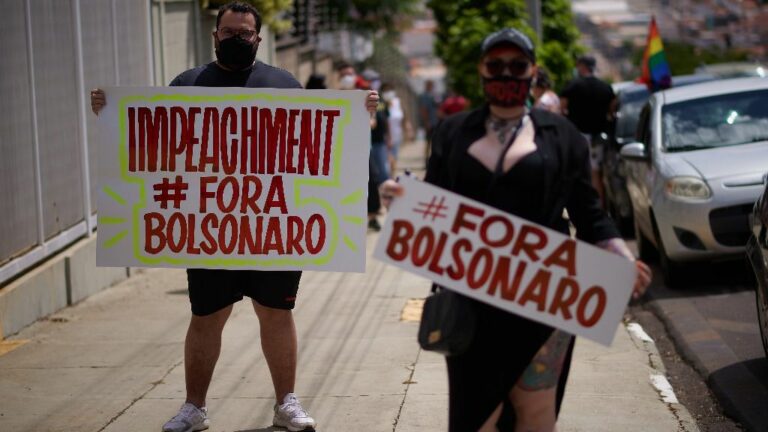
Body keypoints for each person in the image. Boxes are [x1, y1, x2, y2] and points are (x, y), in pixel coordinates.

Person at [90, 3, 378, 431]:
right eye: (229, 32)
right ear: (214, 35)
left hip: (273, 229)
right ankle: (194, 408)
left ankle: (286, 404)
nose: (237, 39)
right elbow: (155, 149)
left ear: (258, 39)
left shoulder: (284, 86)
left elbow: (320, 147)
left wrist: (360, 118)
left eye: (245, 34)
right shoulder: (186, 86)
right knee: (206, 316)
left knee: (276, 314)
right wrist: (110, 115)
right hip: (211, 230)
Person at [379, 28, 651, 432]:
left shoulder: (563, 137)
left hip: (546, 296)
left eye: (517, 65)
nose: (506, 74)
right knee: (476, 416)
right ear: (481, 71)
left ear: (532, 71)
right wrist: (400, 196)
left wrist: (621, 256)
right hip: (471, 297)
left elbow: (589, 213)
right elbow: (434, 200)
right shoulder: (453, 134)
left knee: (536, 411)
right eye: (496, 65)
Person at [560, 56, 615, 207]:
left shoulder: (572, 86)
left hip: (577, 138)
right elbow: (612, 111)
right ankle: (599, 208)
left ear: (582, 67)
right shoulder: (605, 87)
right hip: (598, 138)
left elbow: (561, 108)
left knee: (578, 175)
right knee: (597, 174)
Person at [381, 83, 405, 175]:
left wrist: (407, 128)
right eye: (386, 91)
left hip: (397, 135)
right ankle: (388, 178)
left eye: (389, 90)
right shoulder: (381, 104)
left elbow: (403, 116)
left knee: (394, 158)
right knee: (387, 160)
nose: (388, 93)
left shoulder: (398, 102)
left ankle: (391, 177)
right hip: (385, 135)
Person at [418, 79, 440, 165]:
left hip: (436, 123)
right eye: (430, 85)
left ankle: (434, 161)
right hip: (430, 123)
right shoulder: (424, 96)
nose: (431, 87)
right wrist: (427, 122)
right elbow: (423, 110)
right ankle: (427, 162)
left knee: (436, 143)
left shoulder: (435, 95)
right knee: (428, 143)